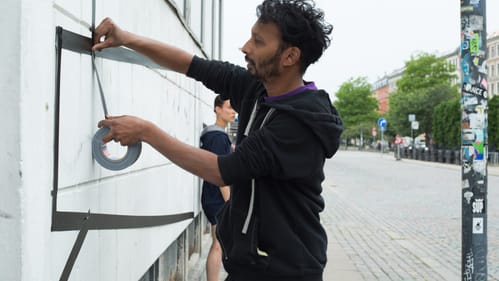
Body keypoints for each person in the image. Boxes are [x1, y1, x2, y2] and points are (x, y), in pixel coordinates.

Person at [92, 0, 343, 280]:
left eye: (258, 42)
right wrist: (127, 38)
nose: (246, 47)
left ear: (289, 56)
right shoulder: (257, 89)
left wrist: (147, 132)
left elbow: (222, 171)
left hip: (286, 270)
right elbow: (194, 65)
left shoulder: (298, 123)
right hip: (249, 264)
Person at [201, 95, 235, 281]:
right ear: (217, 109)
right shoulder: (217, 137)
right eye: (229, 107)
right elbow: (222, 174)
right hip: (217, 197)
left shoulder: (216, 135)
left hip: (213, 195)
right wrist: (230, 202)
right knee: (218, 243)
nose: (233, 111)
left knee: (218, 242)